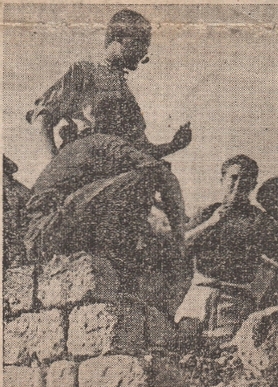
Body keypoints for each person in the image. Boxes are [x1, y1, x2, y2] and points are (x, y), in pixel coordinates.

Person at [26, 9, 191, 267]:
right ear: (118, 40)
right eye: (139, 45)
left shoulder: (128, 97)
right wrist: (55, 160)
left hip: (115, 169)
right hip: (84, 166)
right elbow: (45, 116)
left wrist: (174, 145)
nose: (143, 54)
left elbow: (139, 150)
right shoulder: (86, 71)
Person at [24, 98, 185, 280]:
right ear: (119, 122)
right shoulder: (103, 142)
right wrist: (180, 239)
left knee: (139, 177)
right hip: (49, 233)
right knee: (144, 177)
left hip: (42, 237)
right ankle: (115, 252)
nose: (139, 133)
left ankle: (115, 253)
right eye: (135, 125)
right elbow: (162, 175)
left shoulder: (91, 146)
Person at [175, 155, 278, 347]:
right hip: (197, 299)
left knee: (225, 361)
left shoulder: (259, 220)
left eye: (246, 179)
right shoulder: (206, 213)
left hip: (235, 303)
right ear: (222, 180)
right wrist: (211, 223)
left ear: (253, 185)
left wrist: (265, 298)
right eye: (234, 177)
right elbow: (178, 248)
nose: (238, 184)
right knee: (181, 355)